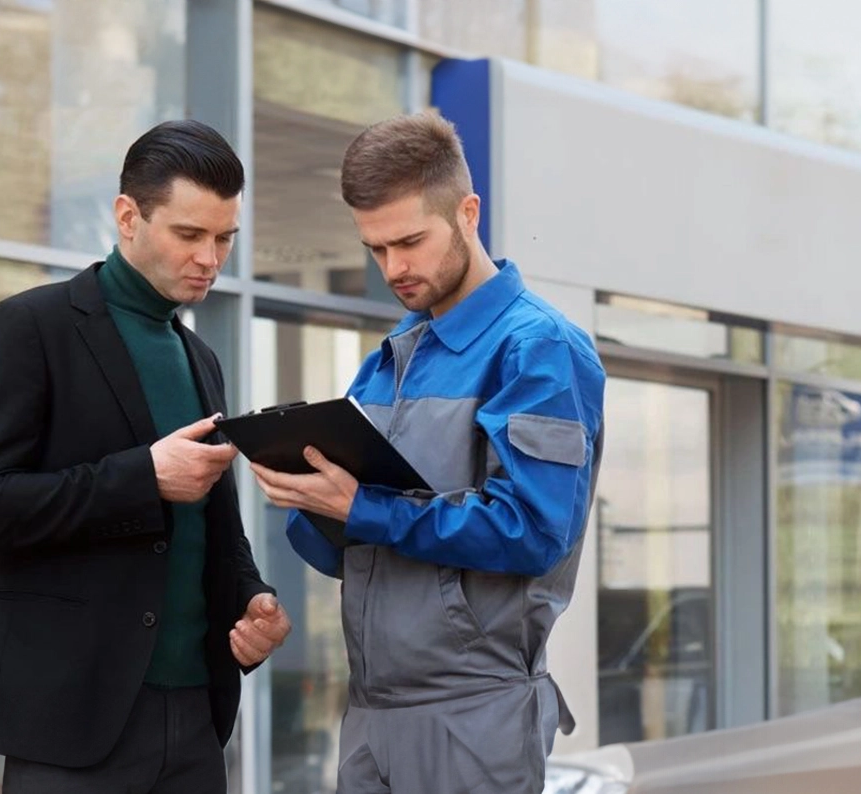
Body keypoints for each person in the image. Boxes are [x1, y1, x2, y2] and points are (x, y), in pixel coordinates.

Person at [250, 110, 607, 793]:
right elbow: (345, 549)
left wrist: (367, 510)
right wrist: (313, 501)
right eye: (376, 248)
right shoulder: (390, 359)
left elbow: (536, 532)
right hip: (370, 714)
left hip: (473, 714)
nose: (394, 268)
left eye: (409, 241)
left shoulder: (537, 348)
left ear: (468, 212)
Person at [0, 119, 291, 793]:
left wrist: (251, 598)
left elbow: (211, 525)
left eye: (224, 238)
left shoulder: (200, 358)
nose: (210, 258)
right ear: (128, 217)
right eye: (188, 234)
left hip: (194, 718)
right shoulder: (29, 328)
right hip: (69, 724)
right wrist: (141, 478)